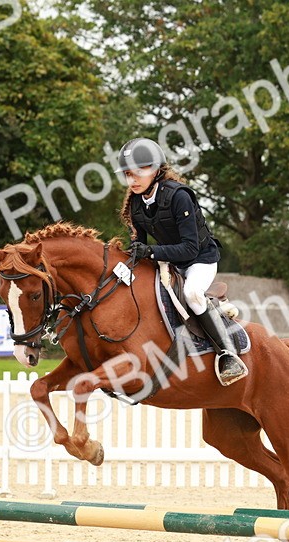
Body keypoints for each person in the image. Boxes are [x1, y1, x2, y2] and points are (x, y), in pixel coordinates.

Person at [117, 137, 247, 386]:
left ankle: (228, 354)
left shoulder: (179, 197)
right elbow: (138, 246)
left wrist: (151, 252)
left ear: (156, 170)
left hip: (200, 259)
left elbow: (189, 248)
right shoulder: (136, 202)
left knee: (192, 293)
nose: (132, 180)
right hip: (169, 261)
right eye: (127, 174)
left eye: (138, 172)